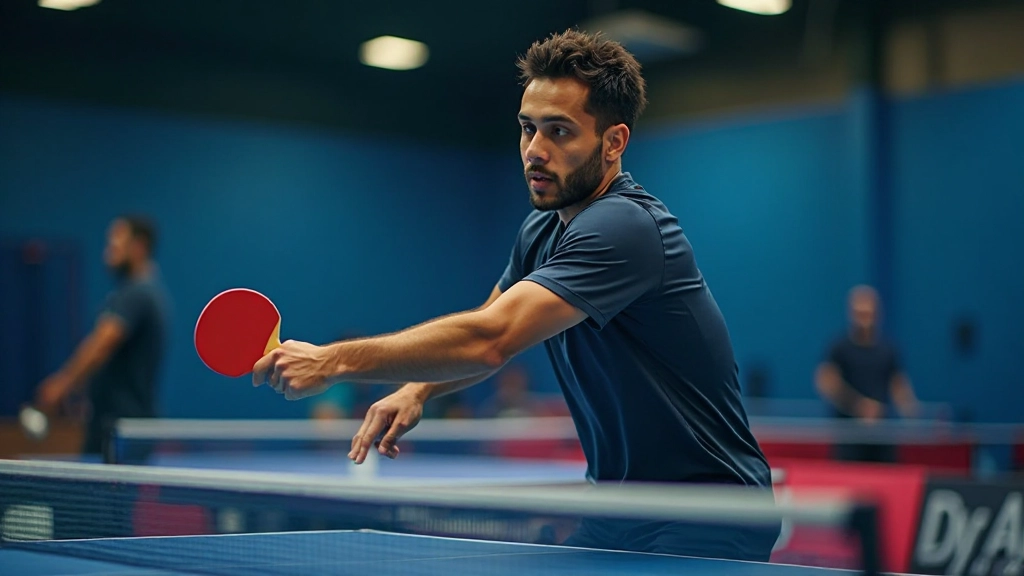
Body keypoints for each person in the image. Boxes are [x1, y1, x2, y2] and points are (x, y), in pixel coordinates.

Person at [252, 30, 778, 560]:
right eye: (528, 129)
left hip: (710, 513)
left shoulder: (625, 225)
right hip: (621, 508)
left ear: (613, 142)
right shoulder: (542, 230)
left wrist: (333, 361)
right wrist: (418, 390)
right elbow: (491, 320)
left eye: (559, 132)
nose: (535, 151)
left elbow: (490, 340)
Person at [33, 215, 169, 460]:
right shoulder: (142, 292)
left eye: (115, 245)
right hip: (117, 424)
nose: (108, 253)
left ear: (138, 247)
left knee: (103, 498)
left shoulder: (137, 293)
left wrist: (62, 384)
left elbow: (101, 345)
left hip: (121, 429)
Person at [815, 285, 919, 463]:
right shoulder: (839, 348)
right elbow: (825, 382)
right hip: (849, 437)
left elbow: (898, 385)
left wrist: (910, 408)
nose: (864, 319)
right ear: (851, 313)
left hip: (882, 436)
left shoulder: (888, 350)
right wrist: (859, 406)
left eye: (868, 313)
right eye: (859, 313)